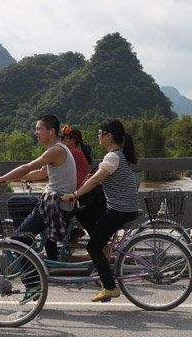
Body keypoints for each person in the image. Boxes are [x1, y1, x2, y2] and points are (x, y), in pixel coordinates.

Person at [61, 118, 139, 302]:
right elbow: (96, 180)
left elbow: (95, 181)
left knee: (92, 246)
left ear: (108, 136)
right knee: (83, 212)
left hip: (120, 209)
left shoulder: (113, 157)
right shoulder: (118, 155)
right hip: (123, 207)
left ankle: (110, 287)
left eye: (100, 132)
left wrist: (75, 194)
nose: (98, 135)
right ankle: (103, 246)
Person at [0, 115, 77, 262]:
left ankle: (33, 278)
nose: (36, 132)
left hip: (56, 204)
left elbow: (28, 167)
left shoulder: (55, 150)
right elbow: (41, 173)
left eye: (38, 129)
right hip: (56, 202)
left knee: (16, 242)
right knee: (14, 202)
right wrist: (12, 179)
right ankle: (29, 240)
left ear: (51, 131)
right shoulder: (57, 149)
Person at [58, 125, 92, 243]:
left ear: (73, 141)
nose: (61, 141)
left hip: (77, 193)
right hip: (76, 191)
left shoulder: (74, 153)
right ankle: (71, 231)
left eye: (64, 138)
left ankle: (72, 231)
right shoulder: (75, 152)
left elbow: (56, 167)